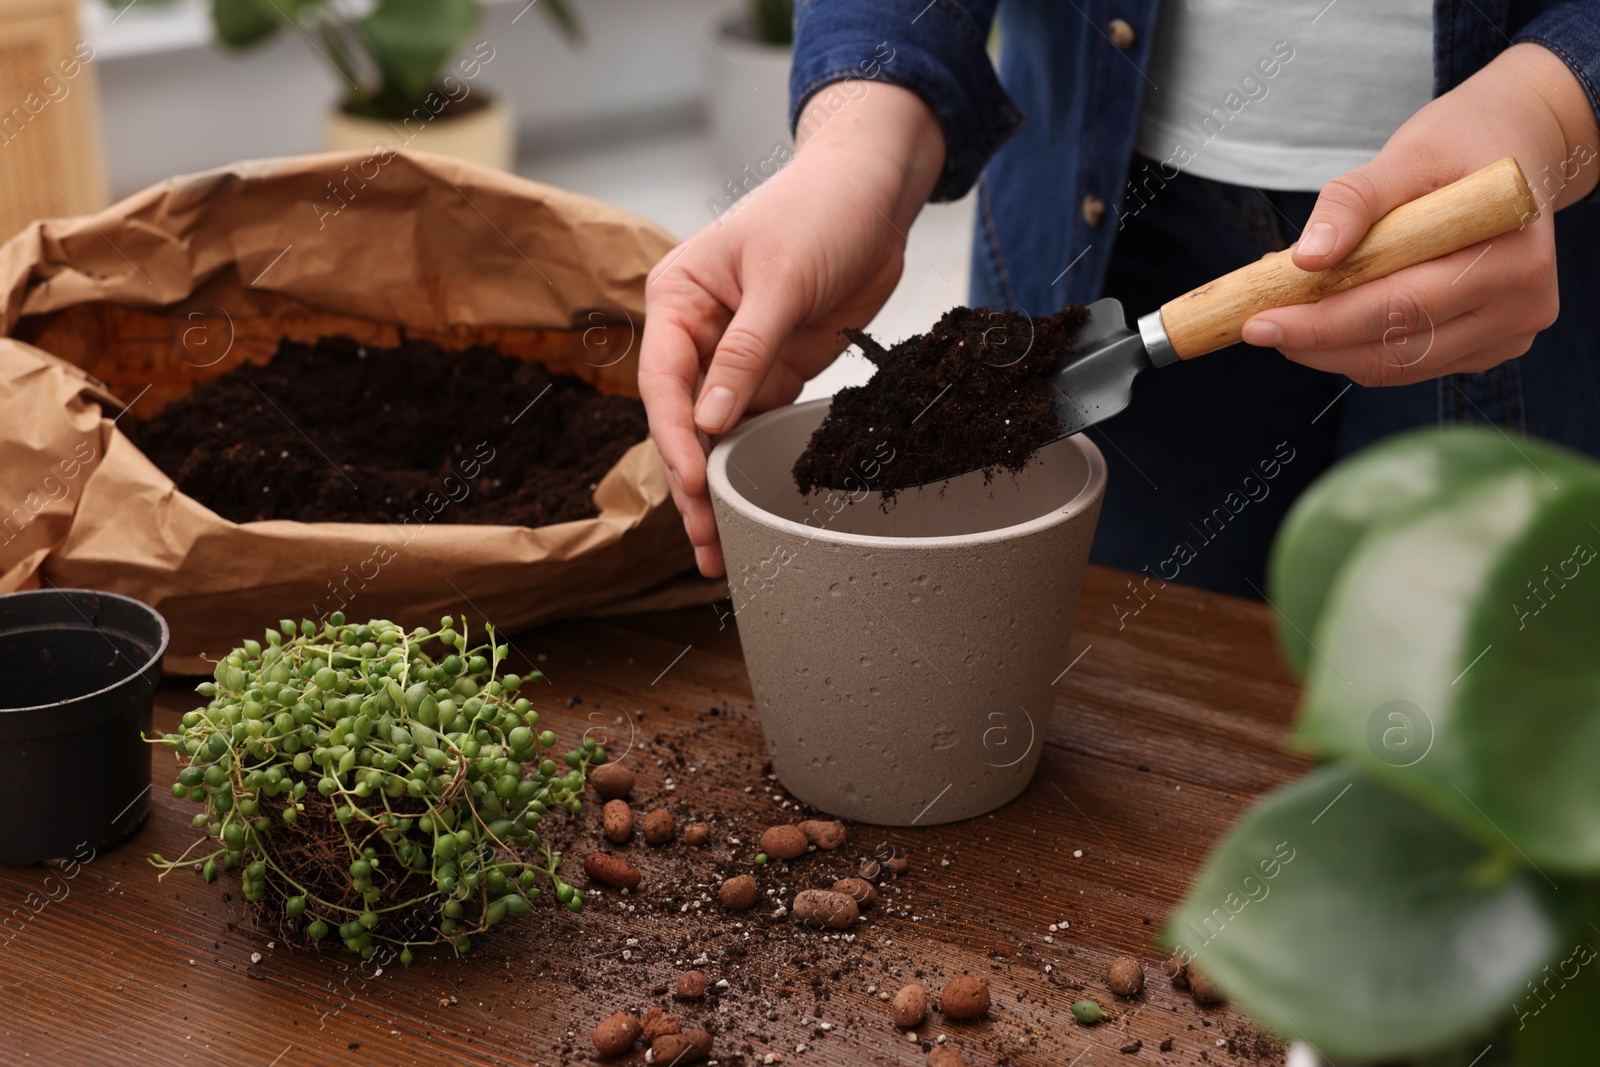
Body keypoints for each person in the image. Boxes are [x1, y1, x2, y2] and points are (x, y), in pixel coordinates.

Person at [640, 1, 1600, 598]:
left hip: (1514, 251)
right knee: (1137, 700)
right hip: (1107, 230)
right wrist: (861, 139)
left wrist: (1554, 109)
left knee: (1464, 763)